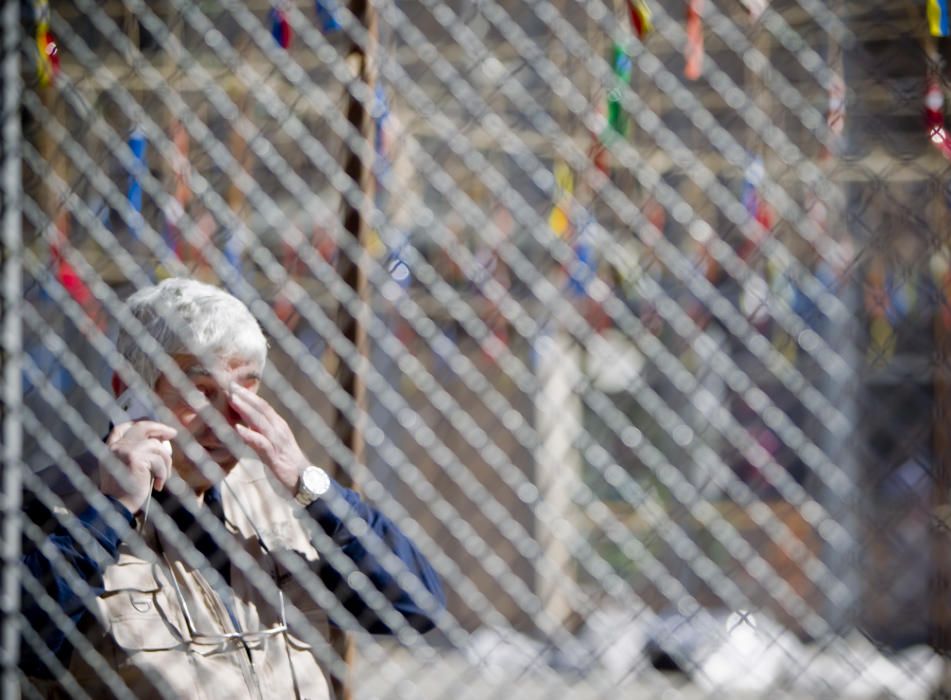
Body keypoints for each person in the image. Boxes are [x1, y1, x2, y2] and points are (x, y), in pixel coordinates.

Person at [21, 278, 445, 699]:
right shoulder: (58, 502)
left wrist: (311, 488)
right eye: (199, 392)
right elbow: (23, 642)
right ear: (128, 391)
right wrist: (110, 511)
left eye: (245, 391)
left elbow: (415, 609)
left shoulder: (282, 501)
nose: (225, 421)